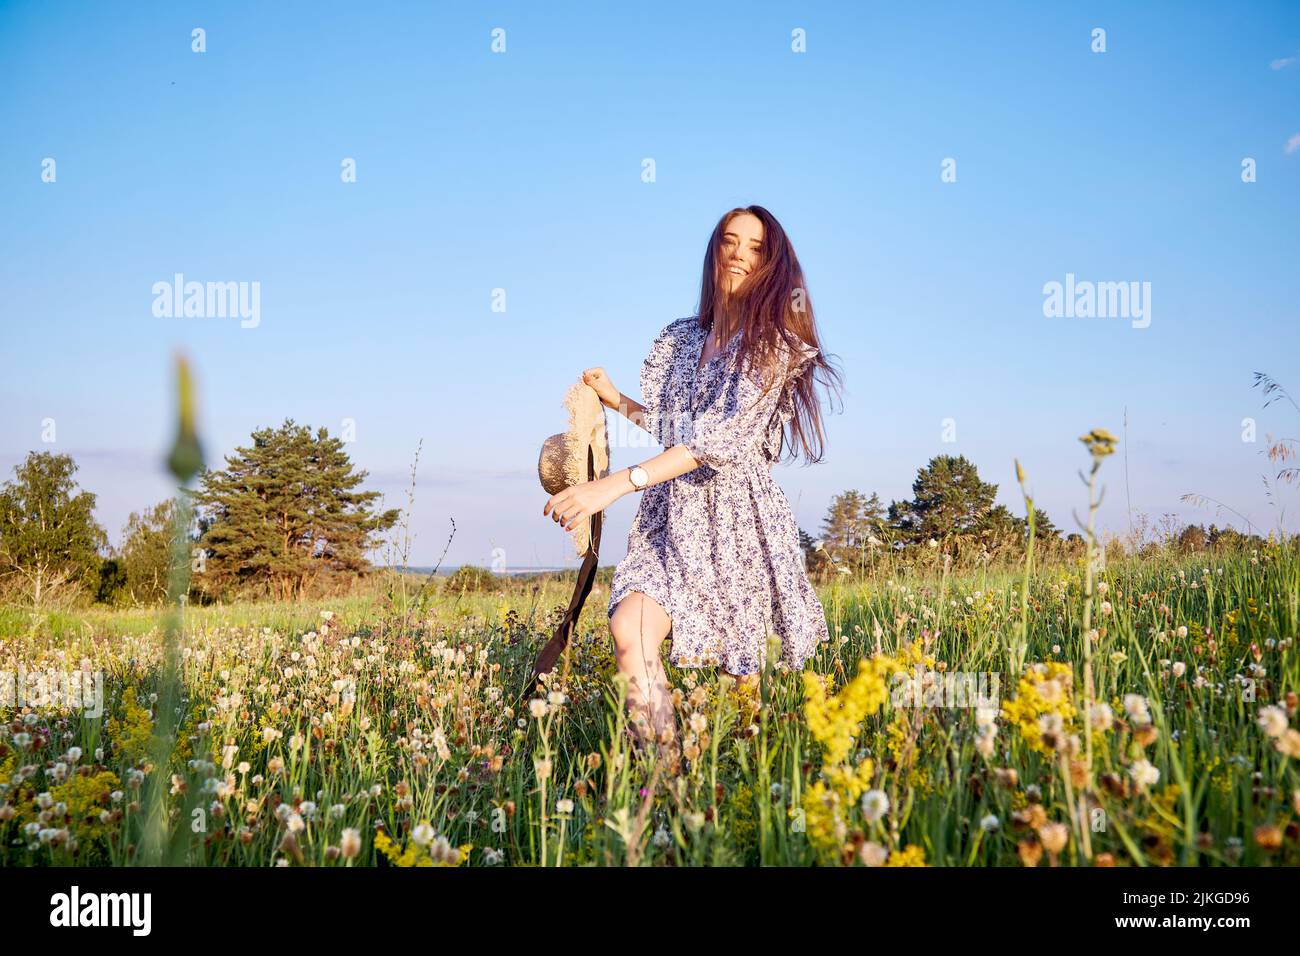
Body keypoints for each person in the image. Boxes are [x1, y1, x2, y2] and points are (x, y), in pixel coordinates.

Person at [542, 205, 840, 747]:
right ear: (714, 251)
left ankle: (745, 797)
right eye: (730, 242)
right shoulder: (681, 340)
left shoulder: (770, 345)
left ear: (772, 264)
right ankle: (666, 784)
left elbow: (716, 442)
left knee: (740, 688)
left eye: (755, 247)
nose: (740, 255)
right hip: (670, 519)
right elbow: (679, 431)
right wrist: (619, 402)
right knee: (629, 632)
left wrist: (610, 486)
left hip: (736, 523)